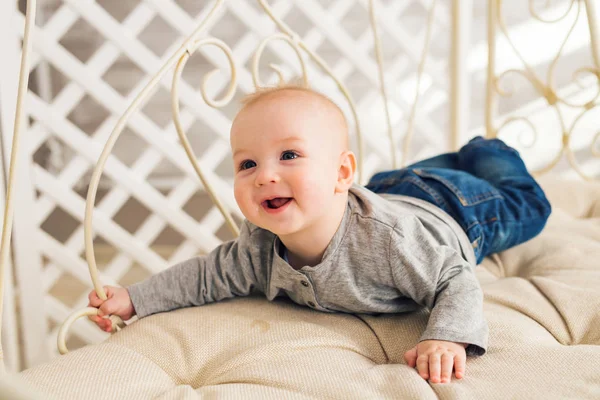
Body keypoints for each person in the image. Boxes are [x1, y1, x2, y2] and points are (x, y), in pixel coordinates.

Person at [88, 84, 551, 384]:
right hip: (382, 187)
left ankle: (489, 150)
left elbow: (454, 277)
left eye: (289, 155)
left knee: (528, 206)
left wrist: (447, 336)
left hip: (450, 208)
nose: (265, 176)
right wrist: (136, 297)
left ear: (340, 171)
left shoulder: (387, 242)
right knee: (407, 175)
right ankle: (440, 161)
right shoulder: (258, 248)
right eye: (247, 164)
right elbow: (205, 277)